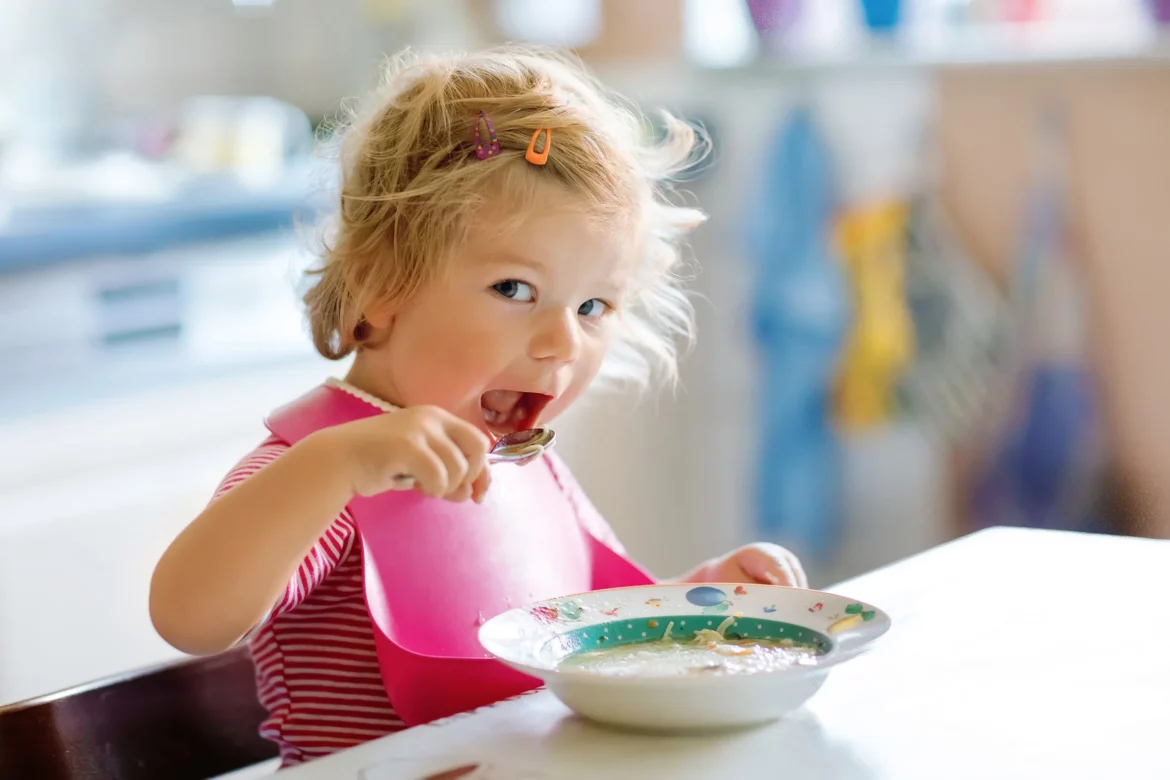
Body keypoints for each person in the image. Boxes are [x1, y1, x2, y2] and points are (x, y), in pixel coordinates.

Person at [149, 46, 806, 768]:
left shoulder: (530, 466)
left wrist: (704, 595)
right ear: (381, 284)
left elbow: (587, 632)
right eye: (515, 290)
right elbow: (189, 616)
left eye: (593, 306)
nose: (561, 342)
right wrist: (331, 466)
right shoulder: (330, 469)